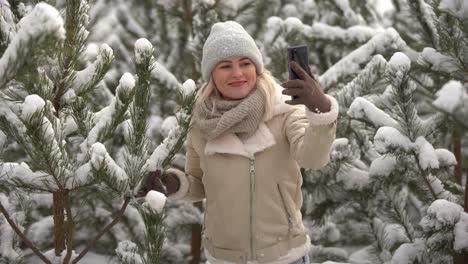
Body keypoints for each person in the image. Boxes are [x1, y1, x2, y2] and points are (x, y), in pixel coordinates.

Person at [141, 21, 338, 264]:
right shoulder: (202, 123)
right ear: (212, 74)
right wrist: (176, 183)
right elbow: (200, 184)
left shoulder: (284, 110)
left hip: (285, 256)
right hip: (224, 257)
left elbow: (314, 158)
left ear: (256, 68)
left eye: (245, 63)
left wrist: (321, 108)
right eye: (225, 66)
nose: (237, 73)